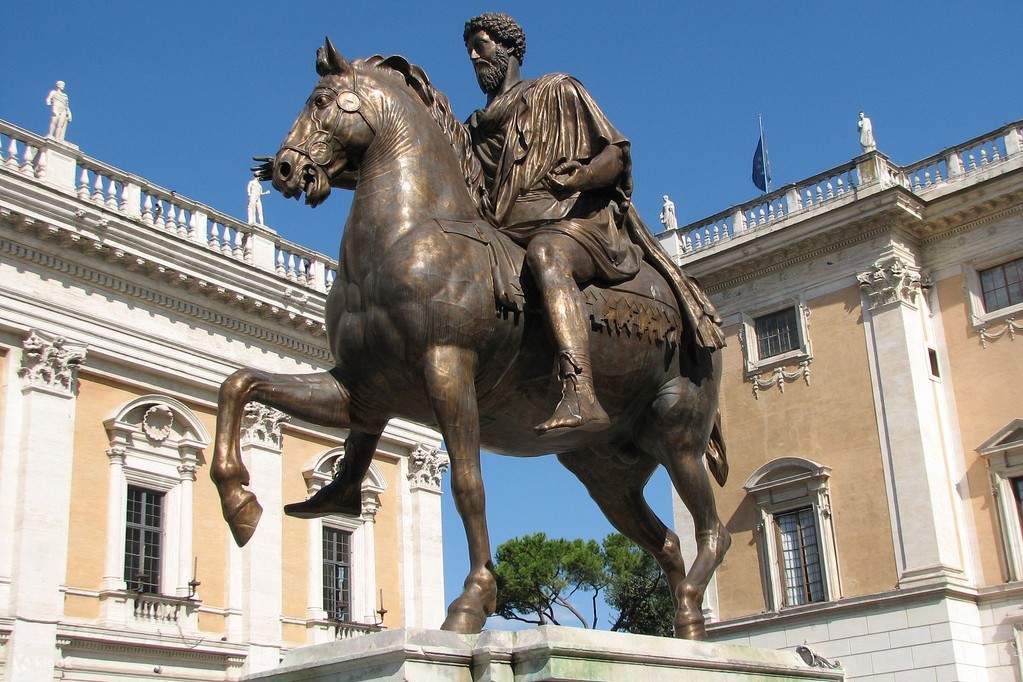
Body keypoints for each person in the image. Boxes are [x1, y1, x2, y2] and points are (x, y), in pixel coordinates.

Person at [463, 13, 723, 435]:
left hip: (575, 225)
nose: (474, 55)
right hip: (507, 231)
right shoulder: (474, 128)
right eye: (470, 49)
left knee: (546, 254)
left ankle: (579, 386)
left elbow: (615, 154)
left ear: (509, 47)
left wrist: (582, 176)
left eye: (482, 43)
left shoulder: (558, 90)